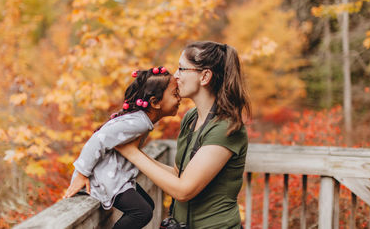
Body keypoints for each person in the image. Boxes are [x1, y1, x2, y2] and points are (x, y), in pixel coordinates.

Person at [115, 41, 252, 229]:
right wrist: (130, 153)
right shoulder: (191, 118)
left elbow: (183, 190)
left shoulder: (226, 128)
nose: (175, 76)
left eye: (181, 68)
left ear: (204, 76)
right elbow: (179, 175)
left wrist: (131, 152)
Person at [63, 66, 181, 229]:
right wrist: (82, 174)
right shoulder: (138, 123)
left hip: (117, 175)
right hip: (105, 178)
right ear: (155, 102)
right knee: (142, 212)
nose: (180, 98)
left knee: (148, 206)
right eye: (175, 94)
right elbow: (98, 138)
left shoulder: (140, 120)